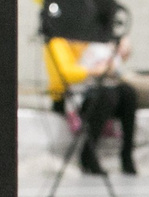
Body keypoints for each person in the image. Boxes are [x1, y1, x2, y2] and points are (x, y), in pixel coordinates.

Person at [43, 17, 140, 178]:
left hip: (96, 91)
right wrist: (97, 71)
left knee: (128, 92)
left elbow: (114, 57)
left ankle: (127, 155)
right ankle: (88, 153)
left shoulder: (88, 41)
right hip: (70, 96)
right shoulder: (57, 42)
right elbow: (67, 74)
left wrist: (121, 48)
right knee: (107, 94)